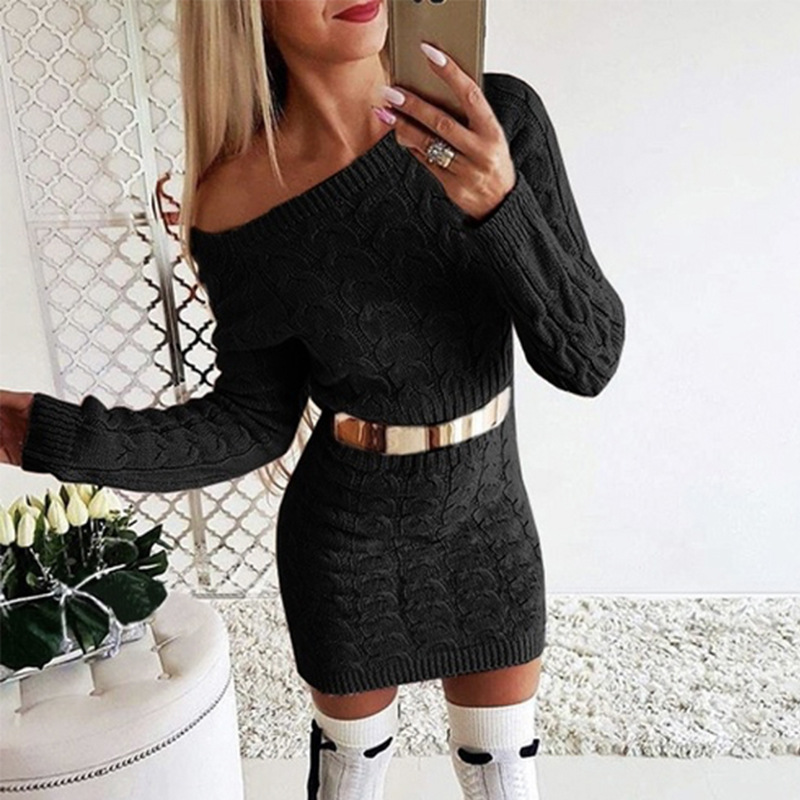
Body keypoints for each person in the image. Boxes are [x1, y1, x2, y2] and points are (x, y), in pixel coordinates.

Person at [0, 1, 626, 798]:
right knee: (349, 775)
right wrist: (45, 434)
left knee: (503, 773)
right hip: (348, 542)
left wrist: (499, 203)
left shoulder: (494, 119)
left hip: (490, 516)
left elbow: (587, 359)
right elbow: (250, 422)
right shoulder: (237, 200)